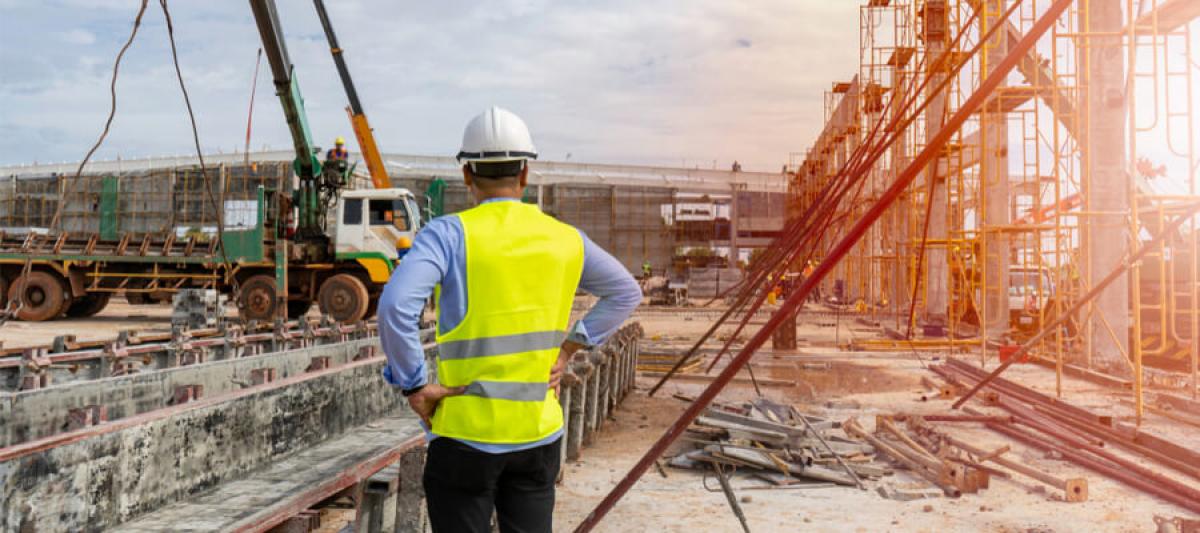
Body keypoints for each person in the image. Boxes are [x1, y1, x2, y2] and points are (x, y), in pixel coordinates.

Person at [378, 106, 642, 533]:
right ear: (524, 173)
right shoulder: (566, 239)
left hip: (464, 436)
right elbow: (626, 292)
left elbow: (395, 307)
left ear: (467, 175)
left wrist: (414, 384)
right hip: (537, 434)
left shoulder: (448, 235)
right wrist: (571, 346)